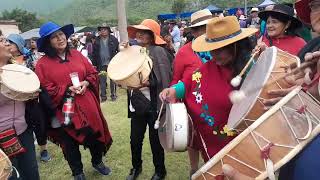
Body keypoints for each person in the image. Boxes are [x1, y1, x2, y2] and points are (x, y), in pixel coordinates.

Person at [223, 0, 320, 179]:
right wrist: (260, 57)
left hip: (295, 114)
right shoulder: (264, 42)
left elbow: (298, 79)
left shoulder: (299, 44)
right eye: (268, 22)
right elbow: (257, 77)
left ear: (288, 24)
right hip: (268, 108)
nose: (270, 25)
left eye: (275, 21)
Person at [160, 16, 257, 162]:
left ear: (235, 45)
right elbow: (189, 82)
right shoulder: (209, 67)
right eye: (212, 49)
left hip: (245, 143)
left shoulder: (251, 68)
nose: (213, 54)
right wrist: (174, 90)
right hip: (213, 143)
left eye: (219, 50)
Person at [35, 21, 113, 180]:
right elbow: (45, 88)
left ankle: (97, 162)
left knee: (94, 135)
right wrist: (66, 89)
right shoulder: (42, 64)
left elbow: (92, 73)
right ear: (48, 42)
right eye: (54, 37)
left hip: (86, 103)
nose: (60, 38)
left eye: (61, 35)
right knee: (69, 142)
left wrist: (86, 83)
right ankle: (77, 172)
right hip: (64, 109)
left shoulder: (77, 54)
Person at [126, 19, 172, 180]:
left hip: (154, 106)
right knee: (135, 140)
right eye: (139, 31)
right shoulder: (133, 50)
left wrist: (149, 82)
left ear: (152, 36)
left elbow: (165, 79)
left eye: (145, 32)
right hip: (137, 104)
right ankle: (136, 168)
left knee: (155, 141)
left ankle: (160, 171)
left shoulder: (159, 52)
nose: (140, 34)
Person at [170, 9, 213, 176]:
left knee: (214, 137)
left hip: (217, 103)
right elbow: (175, 79)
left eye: (206, 27)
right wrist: (174, 96)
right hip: (192, 105)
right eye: (199, 28)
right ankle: (194, 170)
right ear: (194, 31)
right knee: (193, 139)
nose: (203, 31)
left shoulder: (222, 48)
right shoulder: (184, 52)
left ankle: (212, 167)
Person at [0, 36, 40, 180]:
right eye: (1, 41)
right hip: (2, 137)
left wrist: (32, 93)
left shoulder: (17, 69)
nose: (7, 43)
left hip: (24, 130)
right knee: (11, 175)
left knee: (31, 172)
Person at [92, 23, 119, 102]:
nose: (103, 31)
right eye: (101, 29)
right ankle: (103, 97)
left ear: (108, 30)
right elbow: (93, 54)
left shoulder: (113, 39)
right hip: (101, 64)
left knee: (113, 80)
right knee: (102, 81)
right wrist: (94, 65)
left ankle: (113, 96)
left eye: (105, 29)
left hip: (112, 63)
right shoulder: (96, 40)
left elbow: (118, 50)